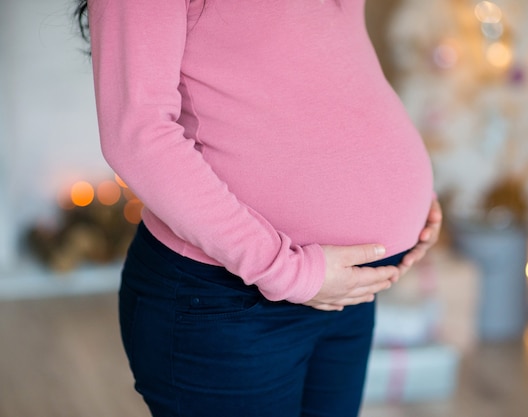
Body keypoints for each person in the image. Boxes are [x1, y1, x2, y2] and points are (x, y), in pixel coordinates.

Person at [76, 0, 442, 416]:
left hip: (343, 296)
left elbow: (321, 63)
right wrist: (289, 271)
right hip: (227, 302)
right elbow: (138, 135)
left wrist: (397, 186)